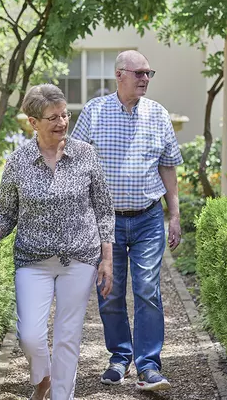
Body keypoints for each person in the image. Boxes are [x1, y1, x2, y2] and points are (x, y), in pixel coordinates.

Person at [0, 84, 115, 400]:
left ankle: (60, 396)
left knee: (67, 336)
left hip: (80, 258)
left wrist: (106, 258)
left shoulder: (85, 154)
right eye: (52, 118)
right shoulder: (18, 161)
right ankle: (42, 377)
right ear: (32, 122)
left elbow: (103, 207)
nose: (61, 123)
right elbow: (5, 213)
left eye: (64, 115)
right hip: (33, 260)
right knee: (29, 335)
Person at [70, 50, 183, 392]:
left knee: (147, 290)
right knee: (110, 291)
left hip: (148, 218)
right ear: (119, 75)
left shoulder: (158, 114)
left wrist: (174, 214)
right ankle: (119, 357)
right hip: (107, 223)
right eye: (139, 73)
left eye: (149, 73)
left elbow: (168, 165)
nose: (146, 79)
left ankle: (149, 366)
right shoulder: (94, 111)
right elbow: (76, 163)